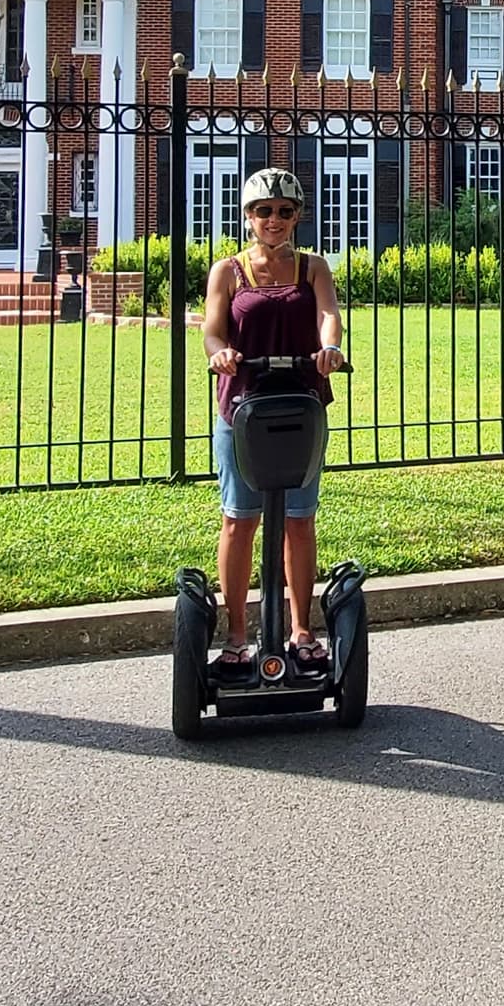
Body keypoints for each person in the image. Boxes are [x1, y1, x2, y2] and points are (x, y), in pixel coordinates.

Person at [203, 167, 347, 664]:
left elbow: (329, 315)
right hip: (242, 405)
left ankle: (302, 631)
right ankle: (237, 637)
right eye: (264, 211)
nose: (274, 220)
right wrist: (219, 353)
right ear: (247, 216)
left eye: (285, 211)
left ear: (298, 216)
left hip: (301, 404)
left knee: (299, 520)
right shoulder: (228, 271)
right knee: (239, 520)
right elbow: (212, 330)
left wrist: (330, 347)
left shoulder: (314, 268)